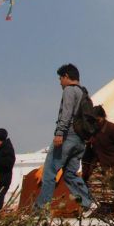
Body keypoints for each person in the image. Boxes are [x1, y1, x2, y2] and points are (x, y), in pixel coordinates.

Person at [35, 64, 92, 212]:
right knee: (70, 174)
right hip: (80, 139)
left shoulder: (69, 90)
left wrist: (59, 133)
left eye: (60, 78)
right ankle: (86, 202)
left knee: (49, 172)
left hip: (68, 135)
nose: (60, 82)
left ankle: (42, 208)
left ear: (66, 76)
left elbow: (66, 113)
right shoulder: (83, 92)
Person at [83, 106, 114, 182]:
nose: (95, 123)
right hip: (96, 168)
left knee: (109, 192)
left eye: (97, 120)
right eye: (93, 121)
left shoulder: (112, 129)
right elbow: (88, 153)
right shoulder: (92, 131)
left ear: (103, 117)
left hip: (112, 168)